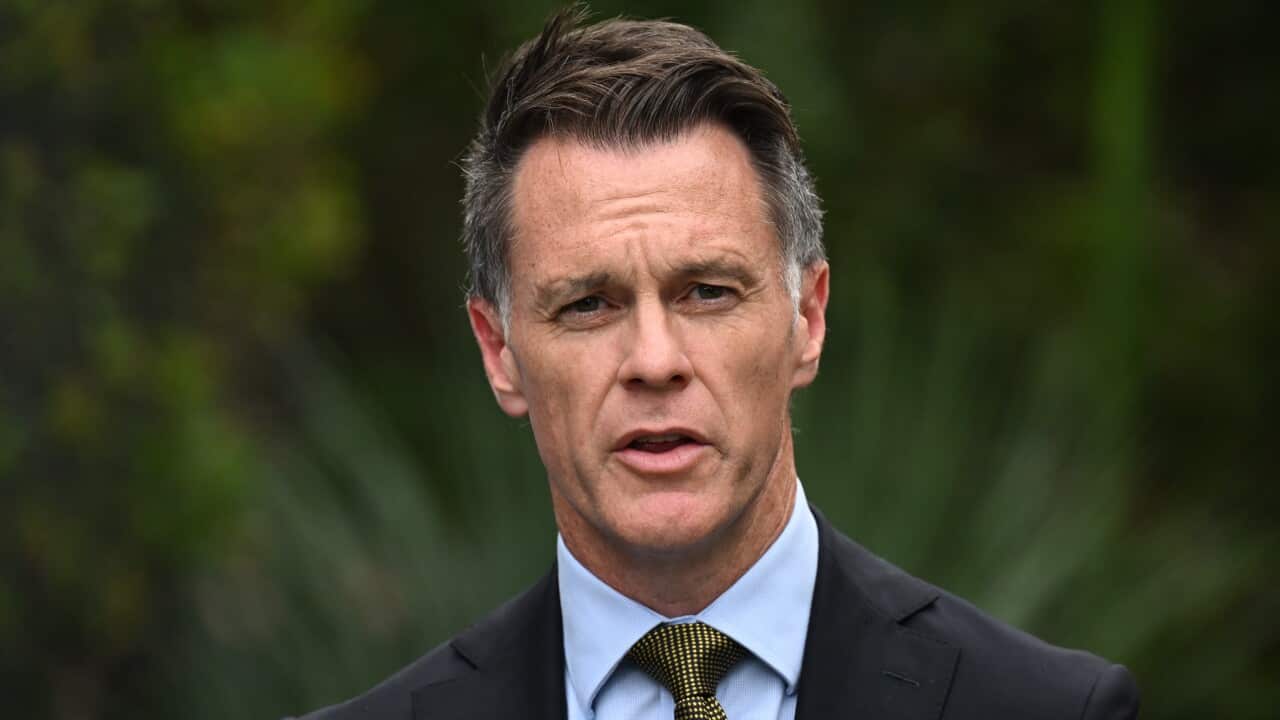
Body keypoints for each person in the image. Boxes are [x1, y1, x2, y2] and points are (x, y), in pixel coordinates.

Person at [299, 7, 1140, 720]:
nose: (654, 361)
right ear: (501, 352)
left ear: (807, 318)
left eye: (706, 291)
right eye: (588, 305)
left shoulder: (1047, 708)